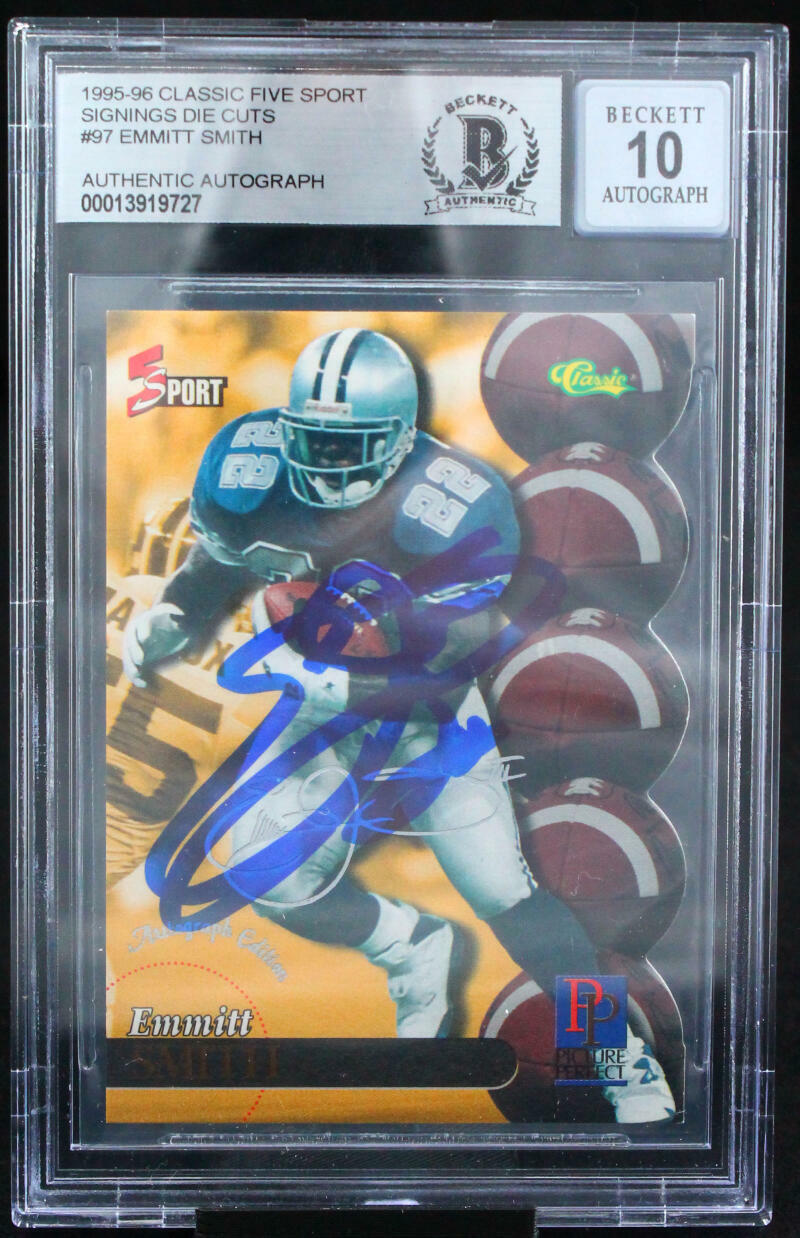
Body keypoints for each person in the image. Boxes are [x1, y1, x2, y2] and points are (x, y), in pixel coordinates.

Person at [123, 327, 674, 1123]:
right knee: (268, 879)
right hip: (322, 709)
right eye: (313, 440)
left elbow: (455, 651)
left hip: (429, 714)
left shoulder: (452, 504)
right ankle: (408, 944)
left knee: (508, 898)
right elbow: (225, 561)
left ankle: (619, 1054)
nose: (328, 464)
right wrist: (177, 614)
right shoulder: (249, 470)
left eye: (351, 446)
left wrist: (338, 675)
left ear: (401, 440)